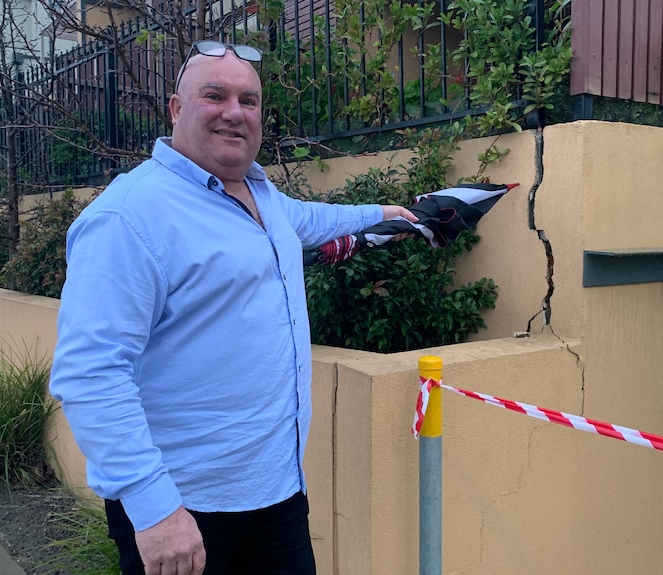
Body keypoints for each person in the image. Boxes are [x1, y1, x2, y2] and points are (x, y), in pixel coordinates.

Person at [49, 41, 418, 575]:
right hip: (186, 510)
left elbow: (310, 219)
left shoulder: (262, 195)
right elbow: (91, 374)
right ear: (176, 109)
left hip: (278, 491)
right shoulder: (129, 217)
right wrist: (155, 510)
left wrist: (385, 213)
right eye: (215, 95)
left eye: (249, 100)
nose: (234, 112)